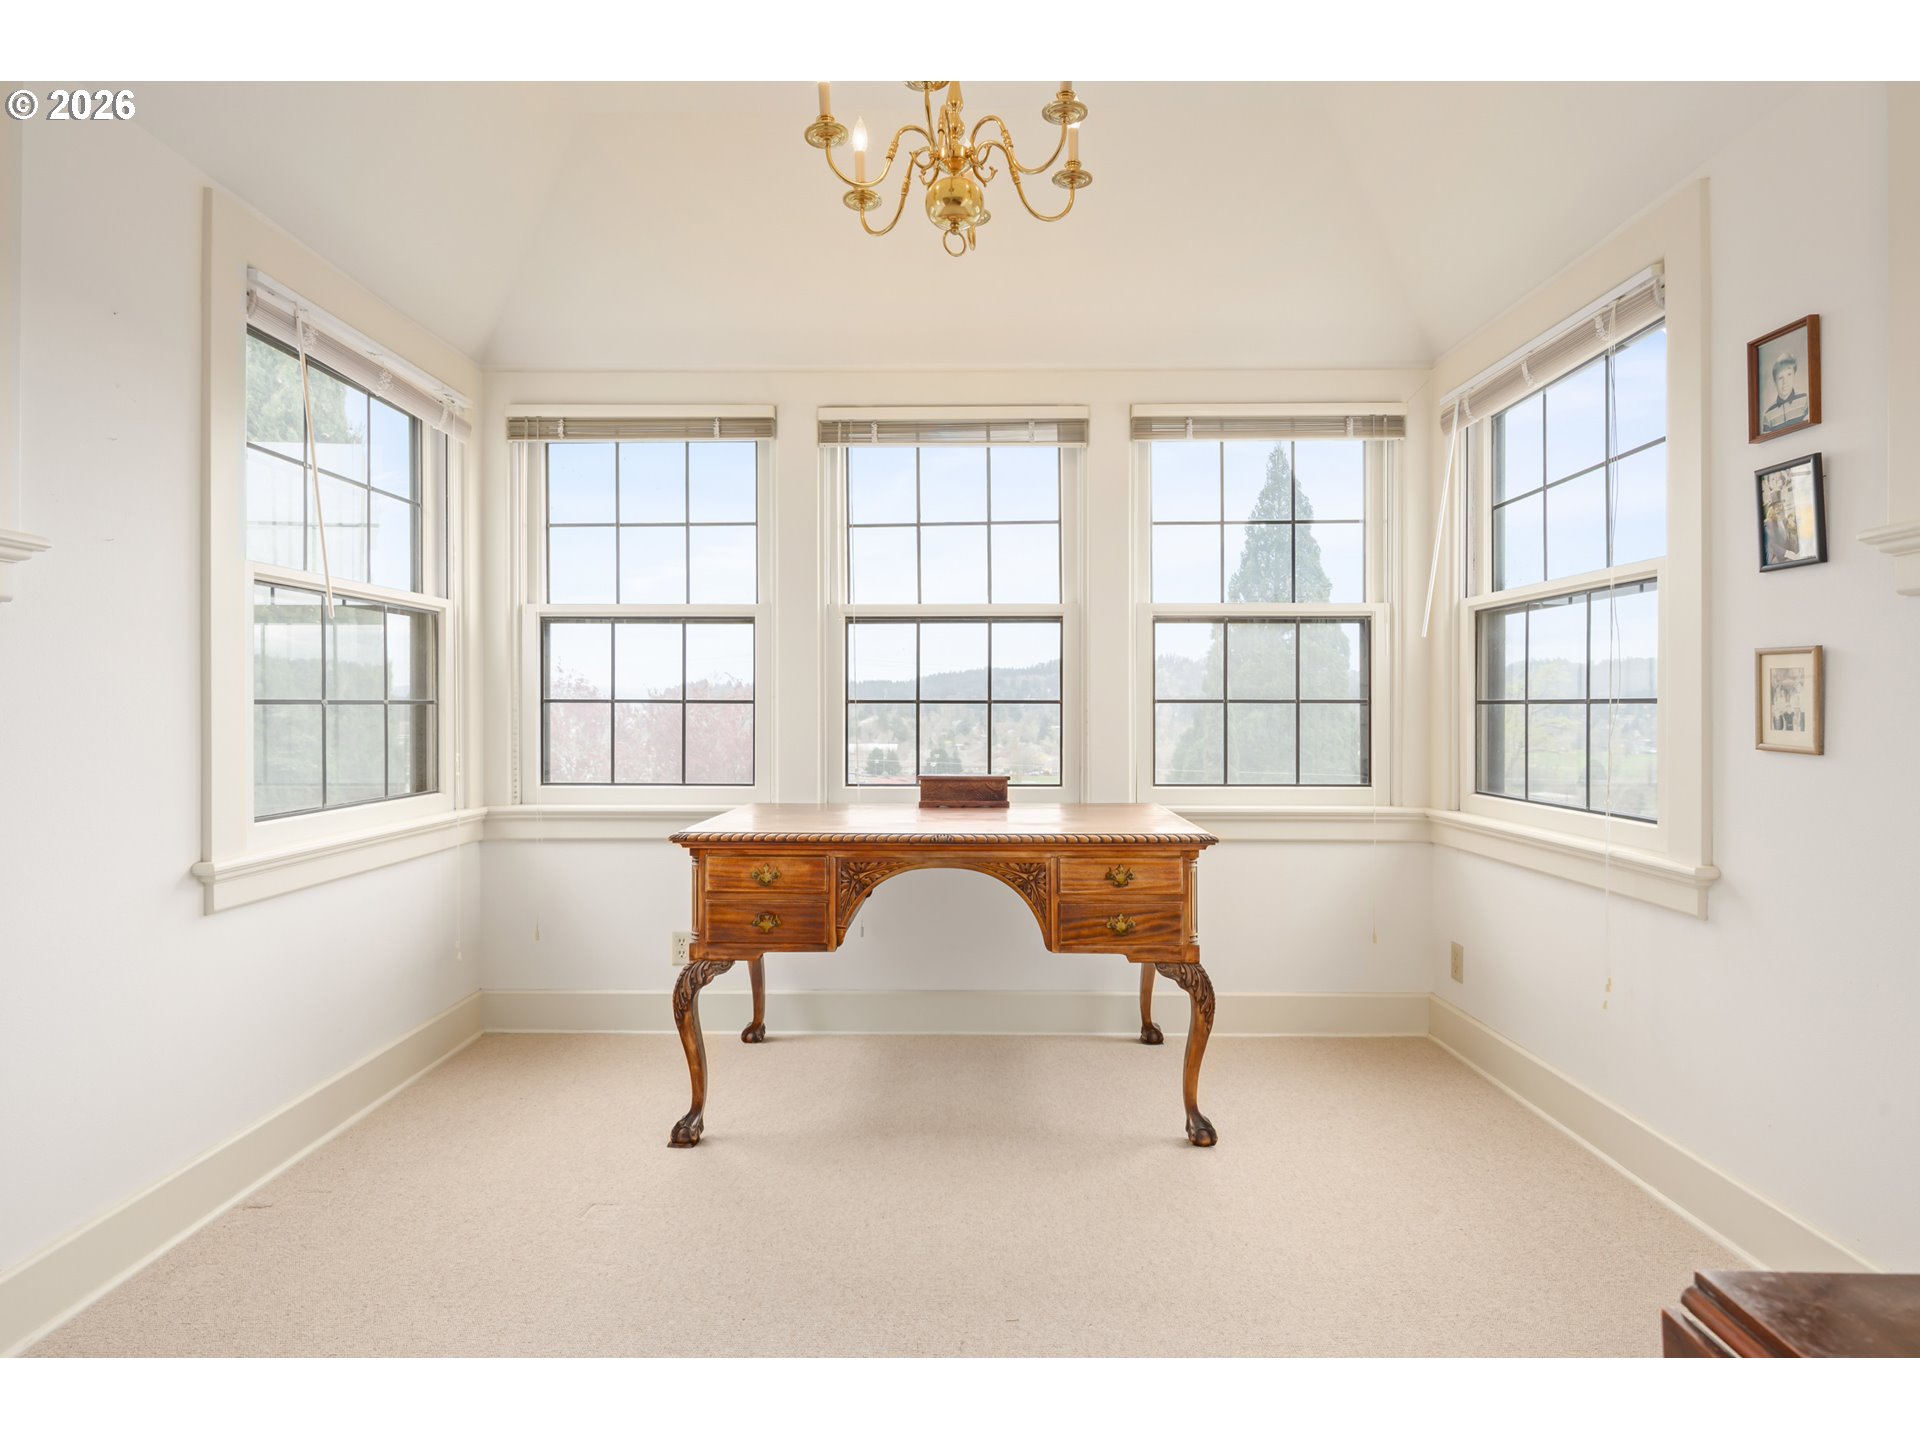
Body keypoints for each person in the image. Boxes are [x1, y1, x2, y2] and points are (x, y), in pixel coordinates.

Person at [1762, 351, 1810, 432]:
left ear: (1795, 375)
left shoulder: (1805, 400)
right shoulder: (1768, 415)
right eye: (1780, 378)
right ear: (1775, 383)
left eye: (1789, 375)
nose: (1785, 382)